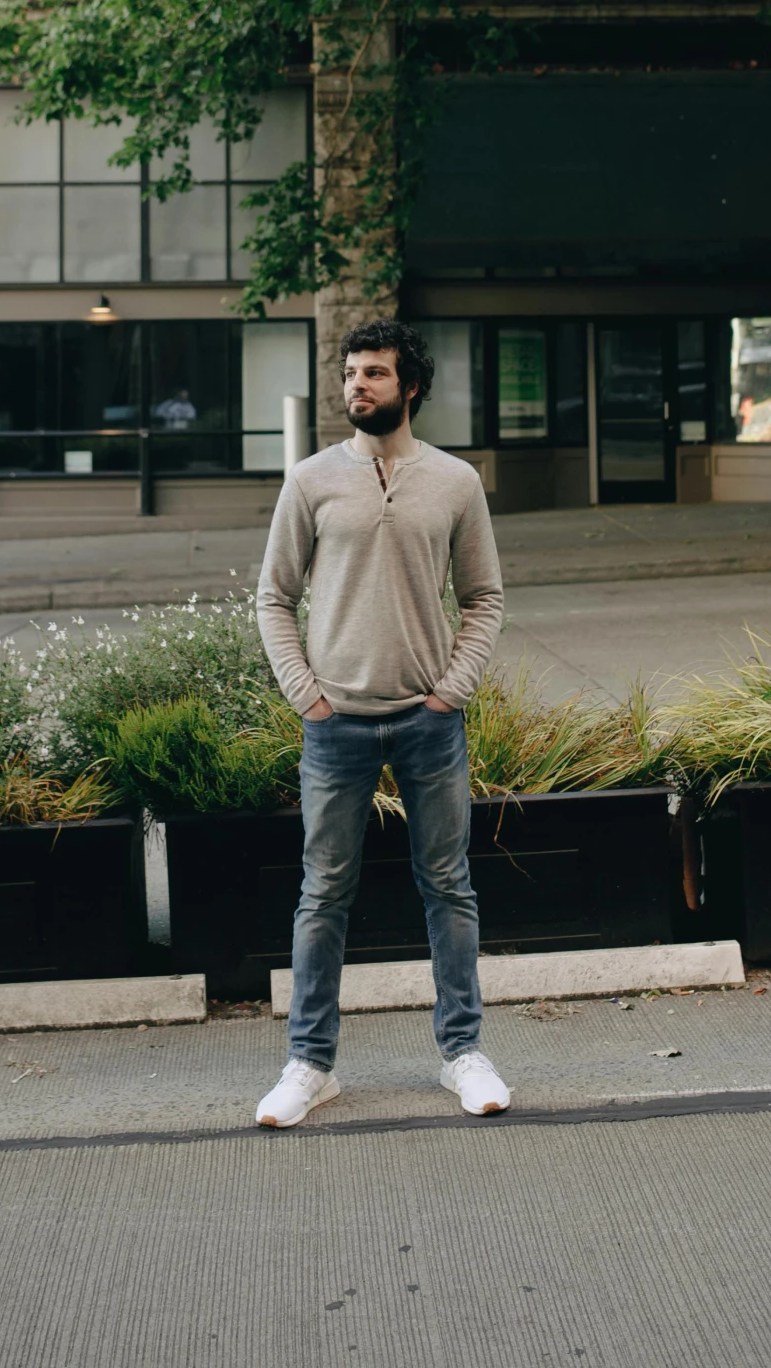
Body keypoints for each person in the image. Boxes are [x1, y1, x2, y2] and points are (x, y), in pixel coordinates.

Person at [253, 319, 508, 1128]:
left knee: (449, 889)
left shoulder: (455, 483)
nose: (356, 385)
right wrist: (307, 694)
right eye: (350, 373)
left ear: (410, 388)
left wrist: (450, 690)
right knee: (323, 893)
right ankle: (309, 1065)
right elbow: (272, 597)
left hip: (428, 723)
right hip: (336, 725)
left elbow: (484, 598)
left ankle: (462, 1054)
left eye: (374, 373)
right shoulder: (310, 481)